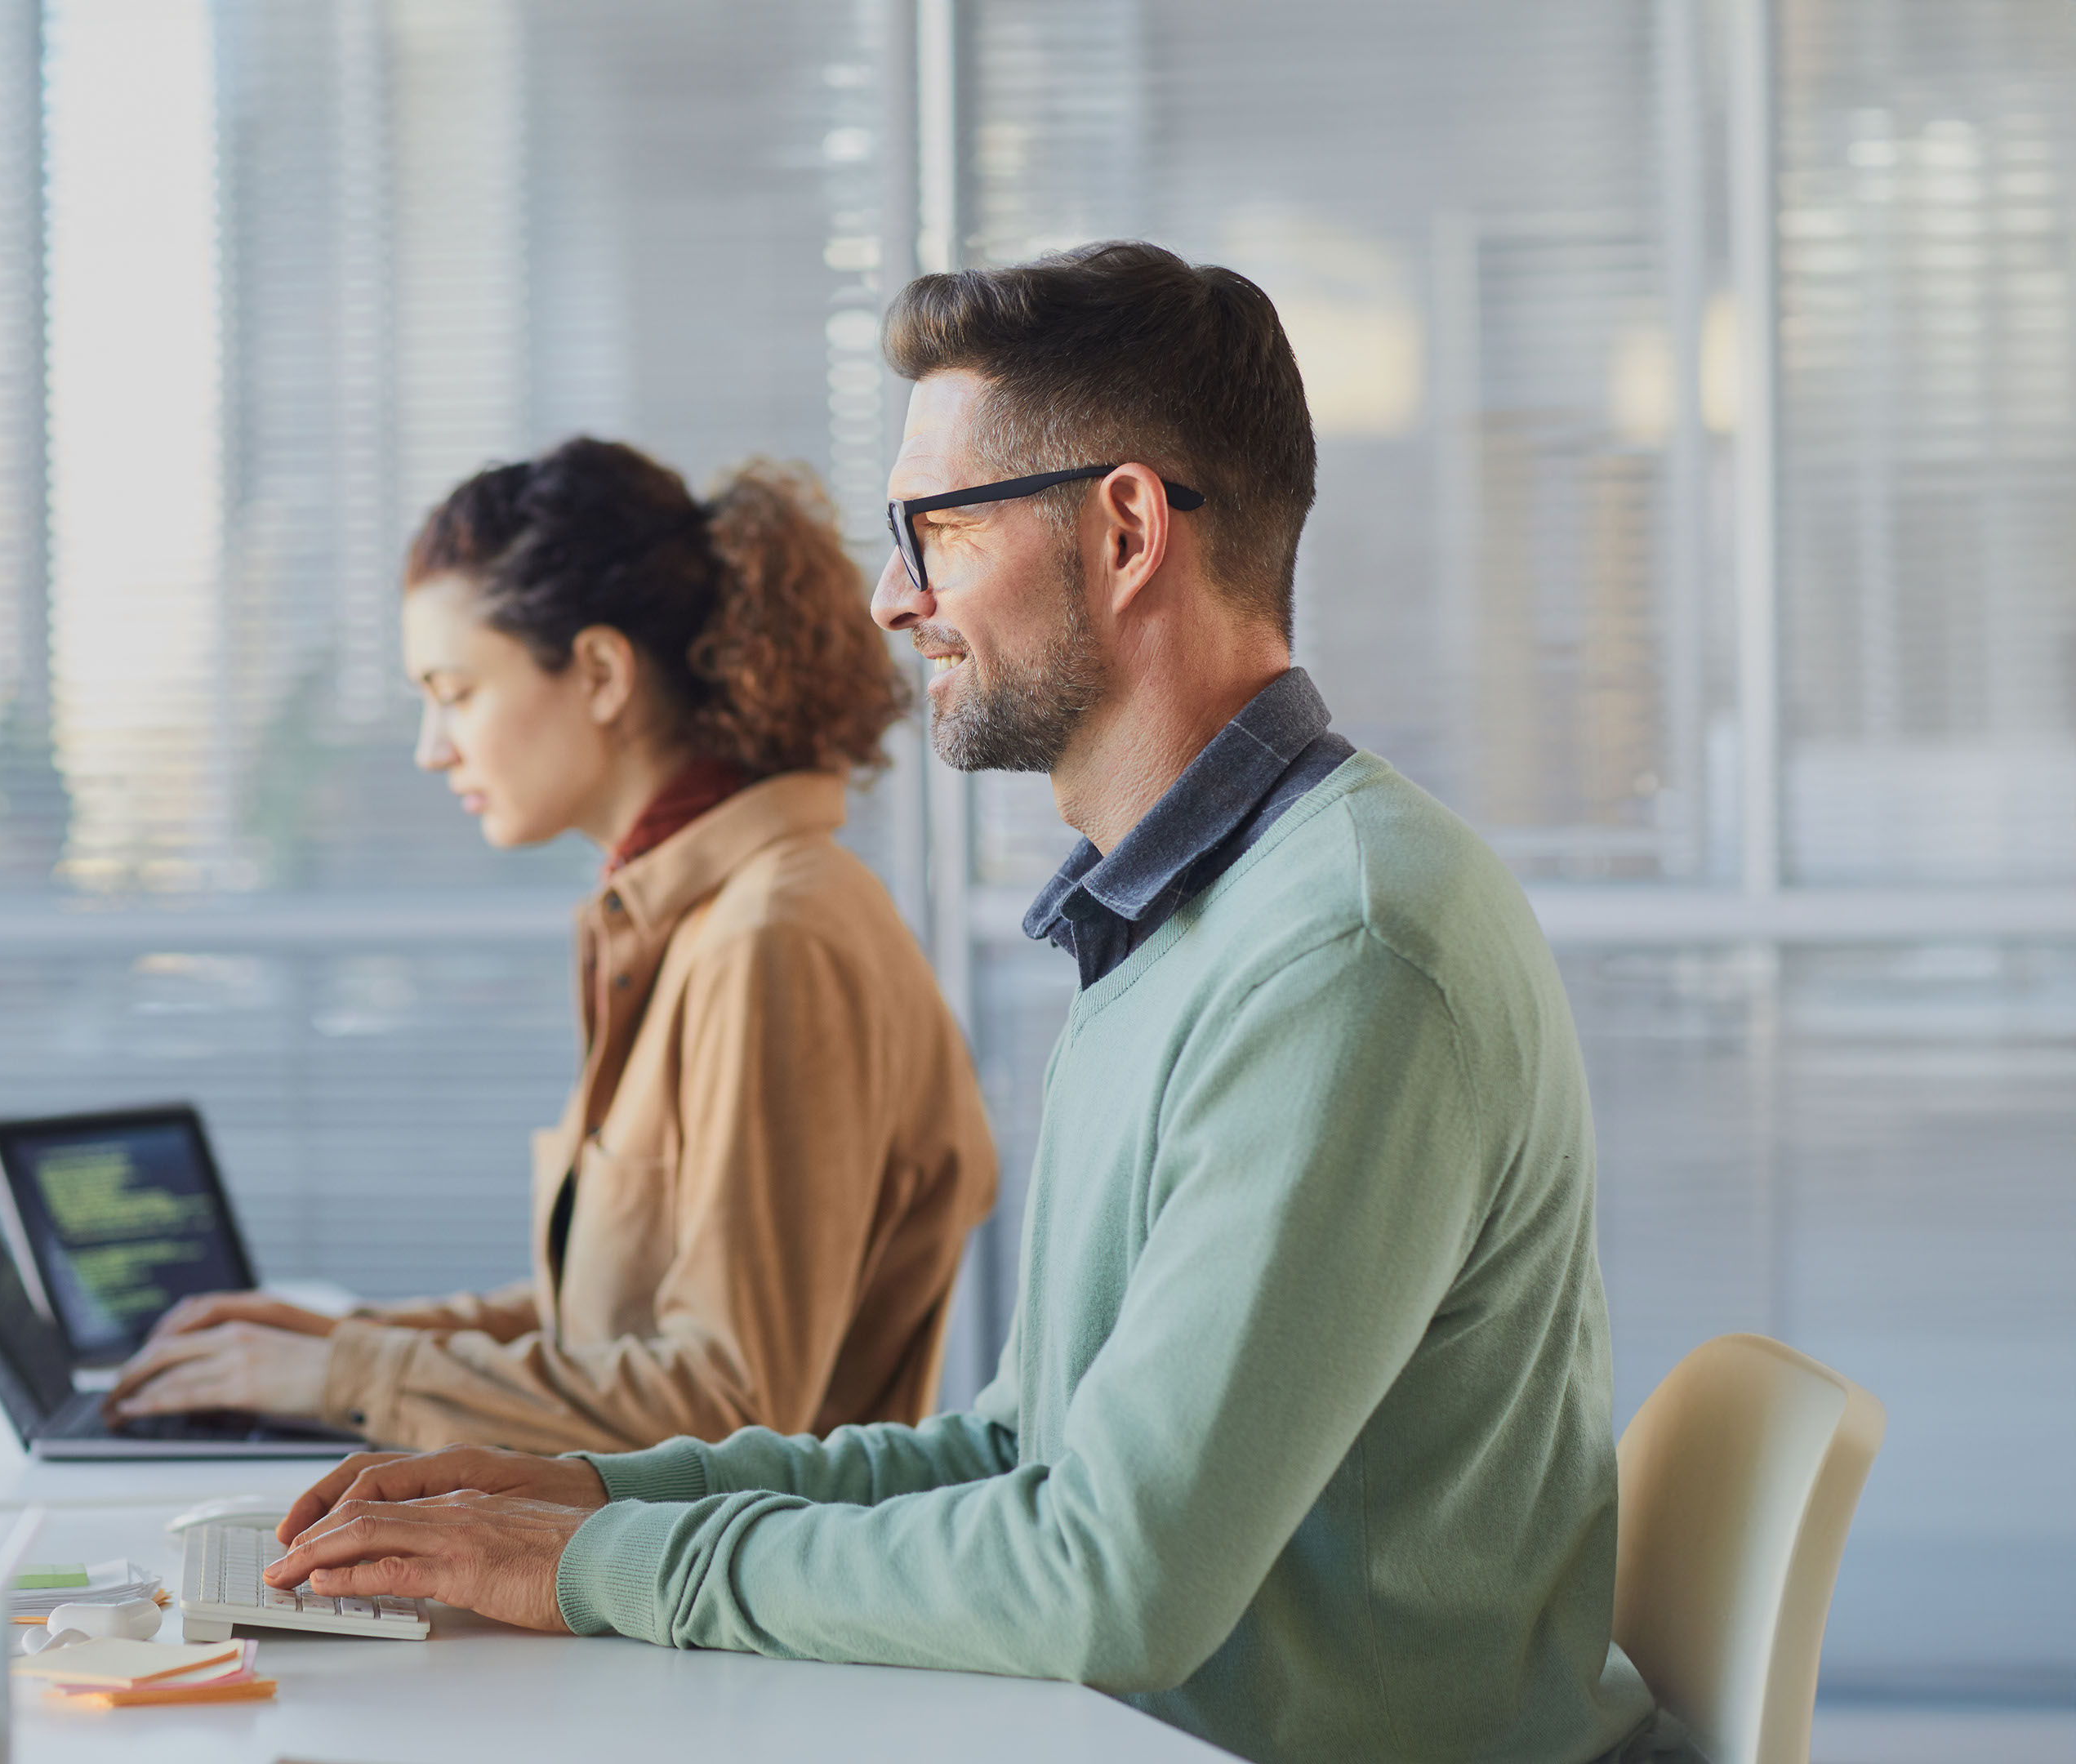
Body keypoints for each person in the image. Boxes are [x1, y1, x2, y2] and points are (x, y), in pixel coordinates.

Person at [252, 243, 1674, 1764]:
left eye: (933, 529)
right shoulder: (1177, 921)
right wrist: (596, 1498)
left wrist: (590, 1571)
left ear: (1125, 530)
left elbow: (1105, 1578)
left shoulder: (1345, 954)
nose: (889, 597)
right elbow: (1016, 1455)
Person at [103, 438, 1001, 1457]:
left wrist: (350, 1374)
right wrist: (341, 1341)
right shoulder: (684, 922)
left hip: (710, 1606)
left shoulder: (772, 937)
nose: (432, 747)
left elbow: (728, 1403)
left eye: (456, 690)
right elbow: (610, 1324)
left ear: (601, 673)